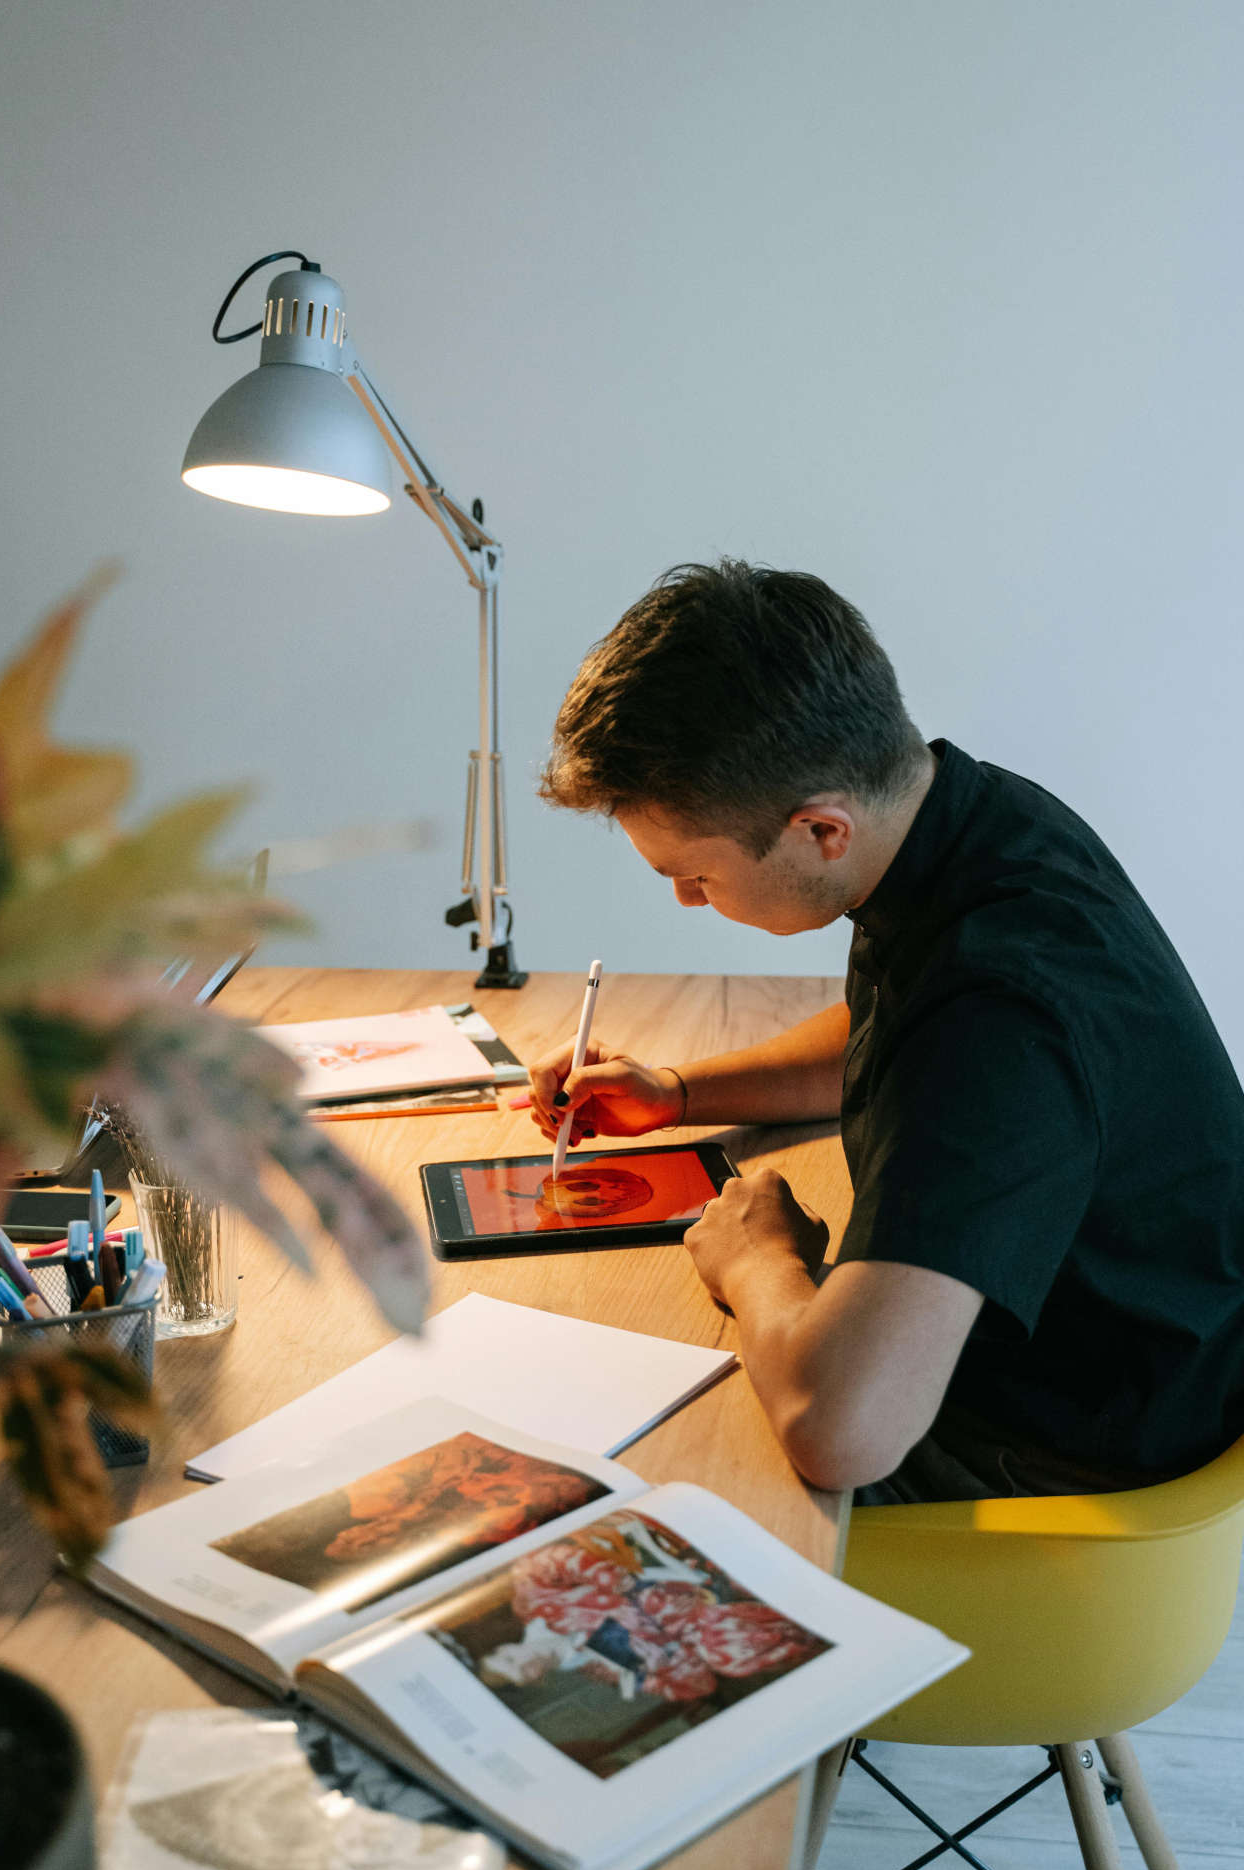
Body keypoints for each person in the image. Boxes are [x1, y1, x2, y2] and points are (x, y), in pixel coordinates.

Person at [527, 560, 1244, 1504]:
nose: (685, 898)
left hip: (1074, 1447)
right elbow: (893, 1035)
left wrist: (760, 1260)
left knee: (616, 1474)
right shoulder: (964, 820)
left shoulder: (1000, 1013)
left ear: (822, 830)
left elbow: (844, 1432)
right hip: (1087, 1355)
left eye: (696, 875)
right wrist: (681, 1091)